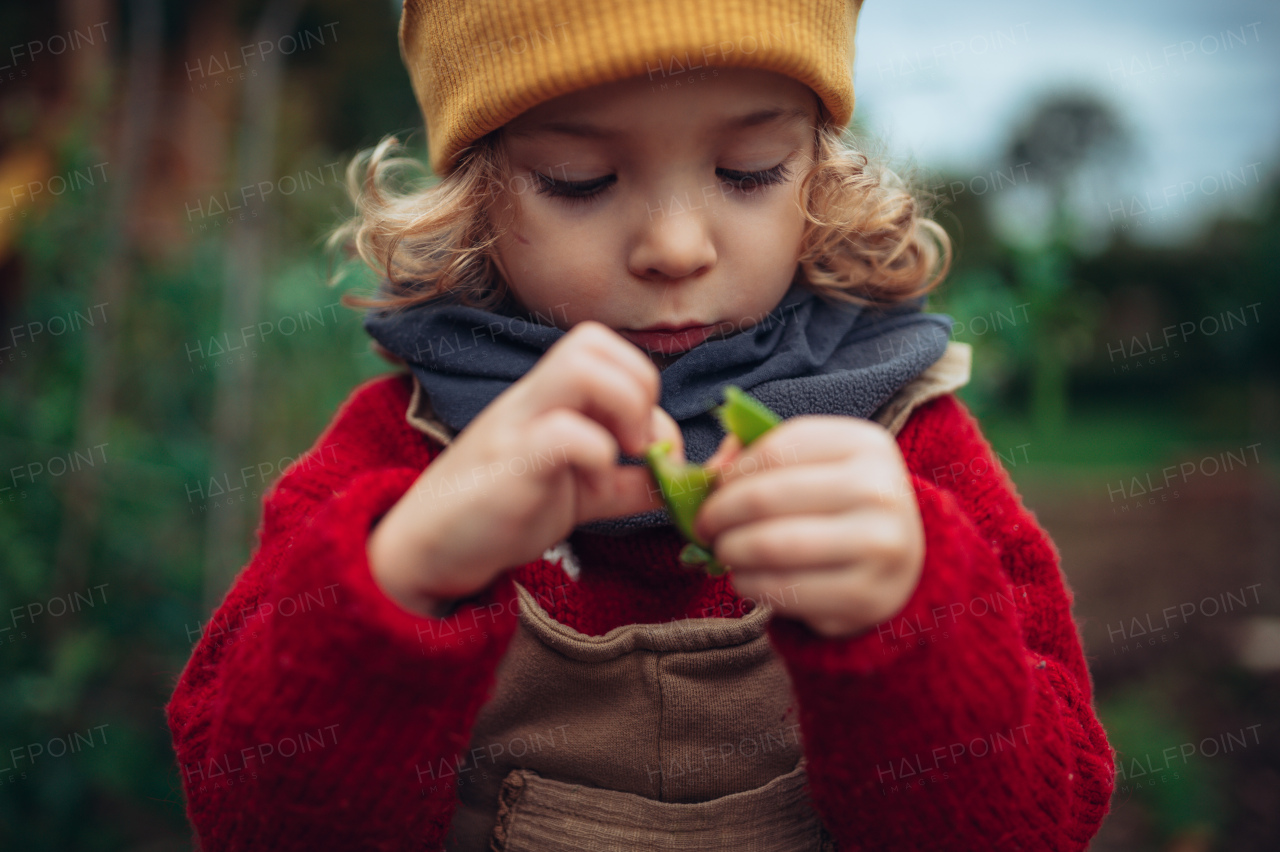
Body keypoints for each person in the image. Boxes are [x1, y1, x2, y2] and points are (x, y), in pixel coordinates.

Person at [166, 1, 1114, 849]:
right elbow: (251, 820)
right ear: (478, 197)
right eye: (579, 179)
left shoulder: (906, 443)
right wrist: (405, 575)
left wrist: (911, 619)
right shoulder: (401, 455)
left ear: (819, 176)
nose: (674, 247)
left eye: (748, 171)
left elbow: (1046, 819)